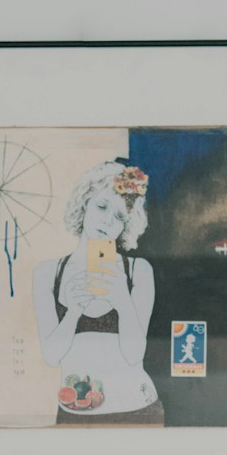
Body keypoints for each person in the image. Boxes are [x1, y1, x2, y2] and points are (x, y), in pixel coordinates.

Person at [32, 161, 162, 425]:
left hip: (138, 411)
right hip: (75, 413)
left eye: (119, 216)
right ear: (84, 204)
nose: (107, 221)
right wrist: (73, 312)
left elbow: (134, 354)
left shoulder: (138, 271)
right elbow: (52, 357)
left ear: (126, 225)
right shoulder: (48, 273)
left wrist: (122, 301)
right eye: (102, 206)